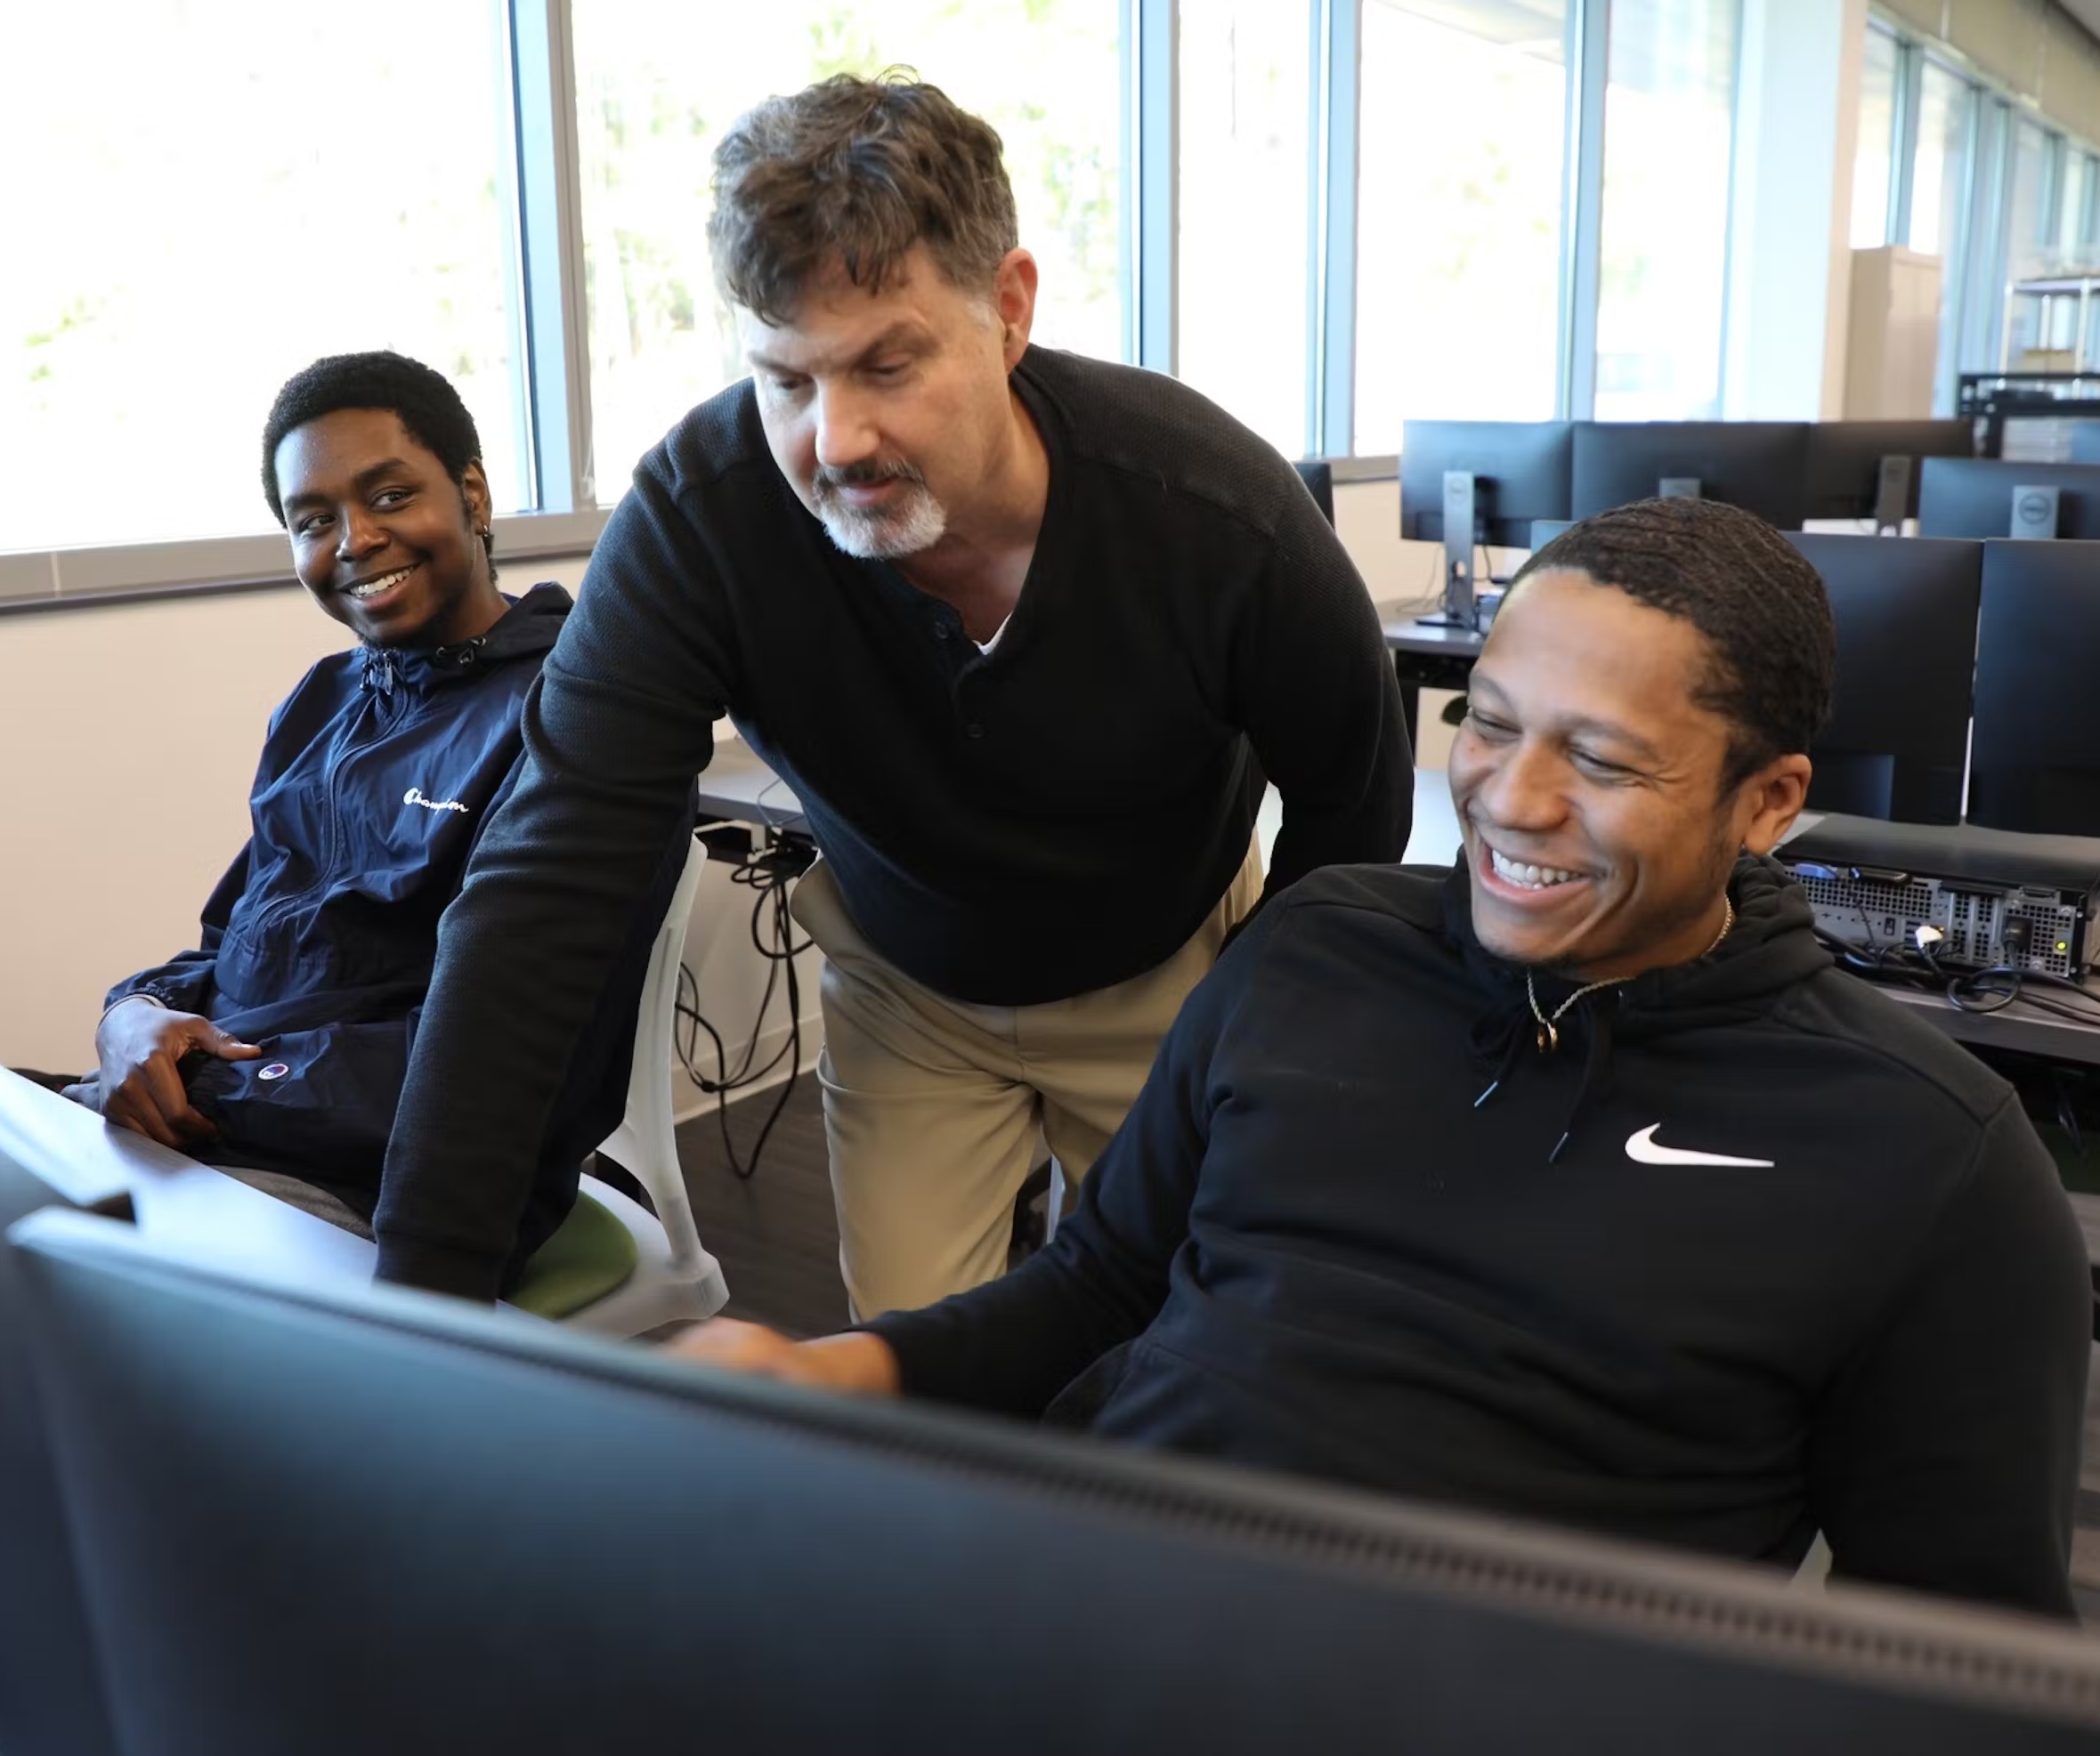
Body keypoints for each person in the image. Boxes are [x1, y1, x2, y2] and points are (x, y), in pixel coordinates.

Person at [669, 498, 2096, 1619]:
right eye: (1487, 722)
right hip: (1090, 1620)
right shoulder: (1316, 947)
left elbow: (1960, 1652)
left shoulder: (1923, 1156)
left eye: (1598, 762)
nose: (1509, 800)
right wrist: (827, 1374)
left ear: (1767, 803)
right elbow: (1097, 1290)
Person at [369, 72, 1411, 1311]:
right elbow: (547, 880)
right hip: (908, 988)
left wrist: (1250, 1015)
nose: (838, 438)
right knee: (917, 1385)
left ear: (1008, 309)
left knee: (1184, 1350)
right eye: (789, 381)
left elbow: (1355, 799)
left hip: (1163, 974)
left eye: (887, 365)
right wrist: (417, 1300)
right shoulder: (702, 518)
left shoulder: (1214, 514)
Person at [70, 351, 676, 1259]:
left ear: (472, 494)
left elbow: (503, 1064)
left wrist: (207, 1083)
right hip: (230, 1123)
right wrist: (133, 1017)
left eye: (388, 496)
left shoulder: (572, 722)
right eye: (314, 519)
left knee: (26, 1281)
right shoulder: (320, 703)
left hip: (385, 1184)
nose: (353, 540)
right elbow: (232, 946)